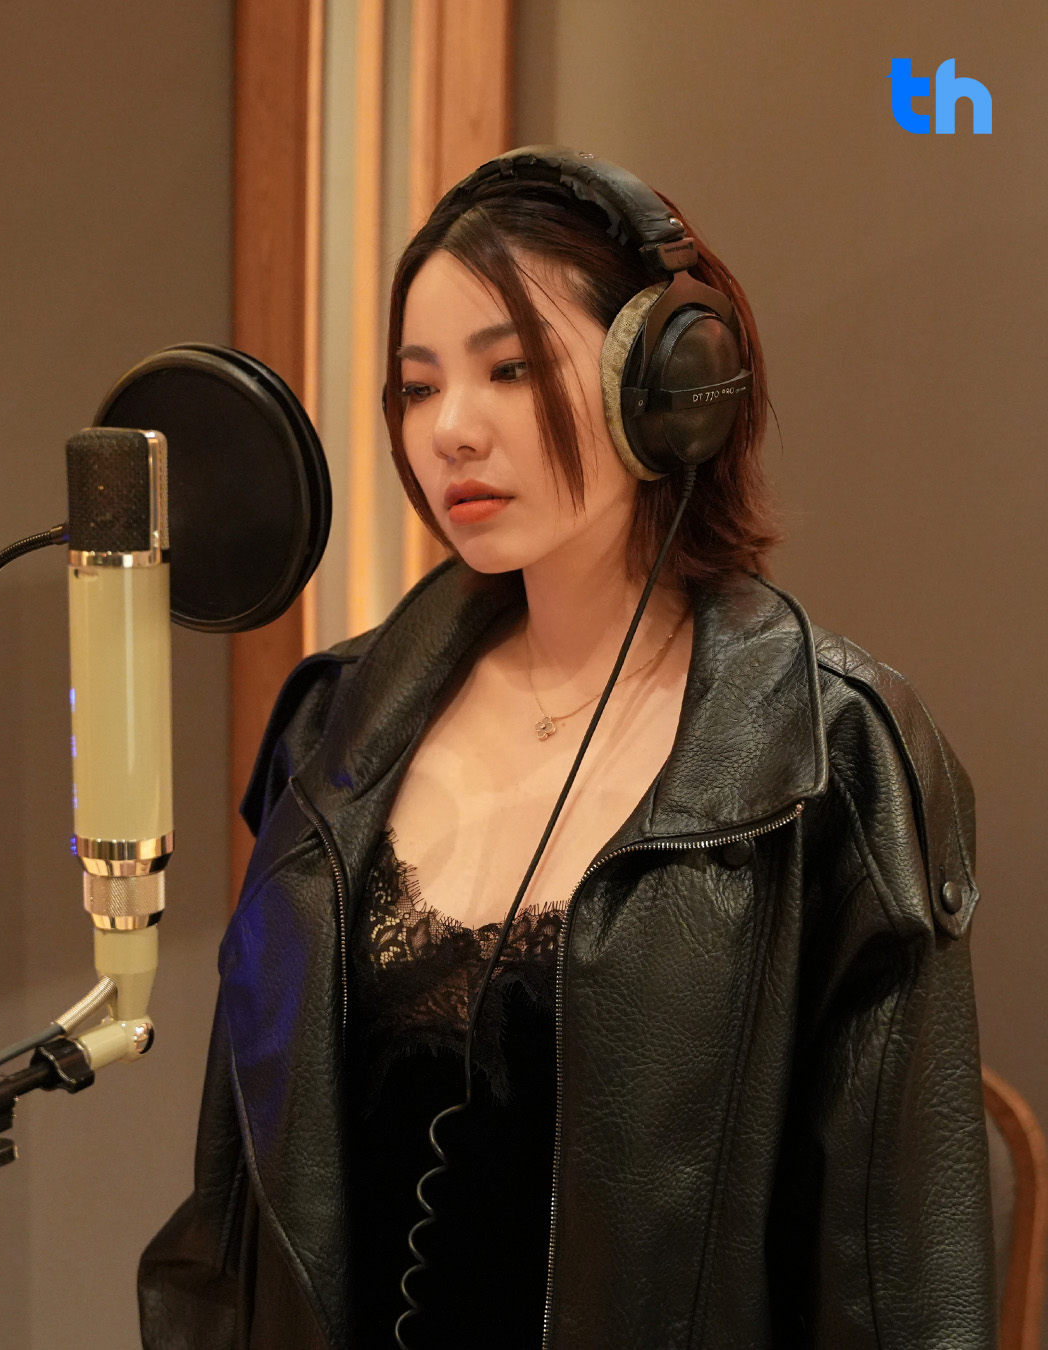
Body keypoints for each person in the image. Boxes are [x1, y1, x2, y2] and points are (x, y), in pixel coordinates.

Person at [138, 147, 996, 1349]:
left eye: (512, 369)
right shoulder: (333, 726)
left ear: (672, 385)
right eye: (418, 386)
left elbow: (900, 1284)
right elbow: (233, 1207)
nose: (451, 430)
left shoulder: (837, 758)